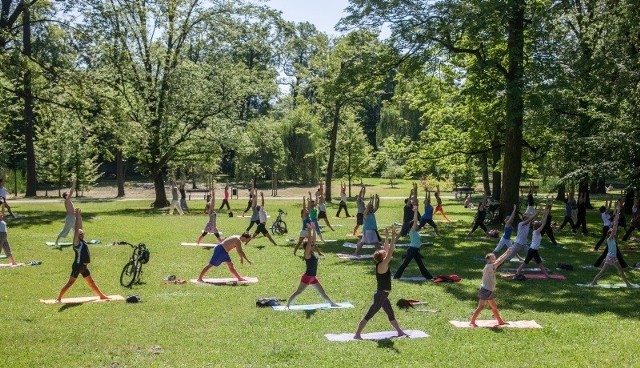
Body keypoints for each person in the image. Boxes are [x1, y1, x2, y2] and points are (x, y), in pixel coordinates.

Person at [354, 225, 407, 340]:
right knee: (370, 313)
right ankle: (357, 334)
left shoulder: (382, 263)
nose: (386, 253)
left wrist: (387, 236)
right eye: (384, 254)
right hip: (381, 294)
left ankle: (399, 332)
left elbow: (387, 249)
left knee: (390, 313)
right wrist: (393, 236)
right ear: (383, 257)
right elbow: (391, 250)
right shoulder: (383, 264)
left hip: (383, 294)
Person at [56, 208, 109, 302]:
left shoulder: (82, 240)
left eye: (82, 233)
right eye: (79, 233)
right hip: (77, 266)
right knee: (70, 283)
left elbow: (80, 227)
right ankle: (59, 298)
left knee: (91, 282)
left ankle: (101, 295)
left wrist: (79, 216)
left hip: (84, 266)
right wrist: (76, 217)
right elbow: (77, 229)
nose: (81, 233)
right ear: (77, 235)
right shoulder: (76, 243)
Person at [287, 223, 339, 308]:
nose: (313, 245)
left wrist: (314, 229)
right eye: (311, 244)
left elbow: (313, 240)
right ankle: (288, 304)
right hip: (307, 277)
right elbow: (309, 243)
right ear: (307, 246)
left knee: (322, 292)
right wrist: (309, 231)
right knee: (298, 291)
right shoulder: (307, 254)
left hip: (313, 277)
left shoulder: (312, 251)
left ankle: (332, 303)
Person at [589, 201, 633, 287]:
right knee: (603, 272)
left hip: (613, 258)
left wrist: (618, 210)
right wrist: (617, 213)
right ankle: (592, 282)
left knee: (619, 271)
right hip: (610, 258)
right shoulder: (609, 239)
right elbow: (614, 228)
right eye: (611, 232)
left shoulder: (612, 239)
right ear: (609, 234)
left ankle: (628, 284)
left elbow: (615, 225)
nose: (614, 233)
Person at [469, 252, 510, 327]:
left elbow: (499, 259)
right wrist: (507, 254)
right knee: (481, 306)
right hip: (485, 290)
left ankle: (500, 321)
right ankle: (472, 321)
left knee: (494, 306)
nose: (494, 258)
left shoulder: (492, 265)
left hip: (490, 290)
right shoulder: (489, 267)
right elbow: (499, 261)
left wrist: (507, 252)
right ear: (488, 259)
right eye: (492, 257)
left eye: (494, 257)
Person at [393, 205, 434, 280]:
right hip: (412, 250)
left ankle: (429, 277)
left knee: (420, 264)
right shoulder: (412, 231)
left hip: (415, 250)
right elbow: (415, 220)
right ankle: (396, 276)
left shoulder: (414, 232)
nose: (418, 225)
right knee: (405, 264)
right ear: (413, 226)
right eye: (416, 225)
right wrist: (415, 211)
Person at [515, 205, 551, 277]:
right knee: (526, 262)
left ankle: (546, 275)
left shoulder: (536, 231)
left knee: (539, 263)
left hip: (534, 250)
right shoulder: (537, 232)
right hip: (532, 250)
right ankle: (517, 272)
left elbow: (542, 222)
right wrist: (546, 213)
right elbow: (543, 223)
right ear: (538, 227)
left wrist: (545, 213)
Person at [55, 179, 77, 248]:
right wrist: (74, 183)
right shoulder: (67, 200)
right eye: (67, 194)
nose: (69, 195)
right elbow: (71, 191)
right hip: (70, 217)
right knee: (65, 230)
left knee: (76, 229)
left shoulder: (69, 200)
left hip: (73, 217)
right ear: (66, 196)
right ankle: (56, 242)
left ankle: (76, 241)